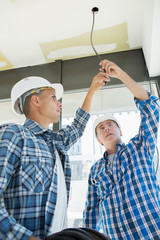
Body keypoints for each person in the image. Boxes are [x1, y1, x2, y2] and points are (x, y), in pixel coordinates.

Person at [0, 74, 107, 240]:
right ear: (35, 101)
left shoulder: (55, 143)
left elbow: (77, 128)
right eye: (53, 97)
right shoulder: (14, 135)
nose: (60, 103)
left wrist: (92, 90)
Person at [83, 59, 160, 239]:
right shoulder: (95, 170)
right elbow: (91, 212)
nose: (106, 128)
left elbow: (152, 108)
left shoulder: (140, 147)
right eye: (101, 128)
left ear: (120, 131)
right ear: (99, 140)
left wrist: (122, 75)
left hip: (152, 233)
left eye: (110, 125)